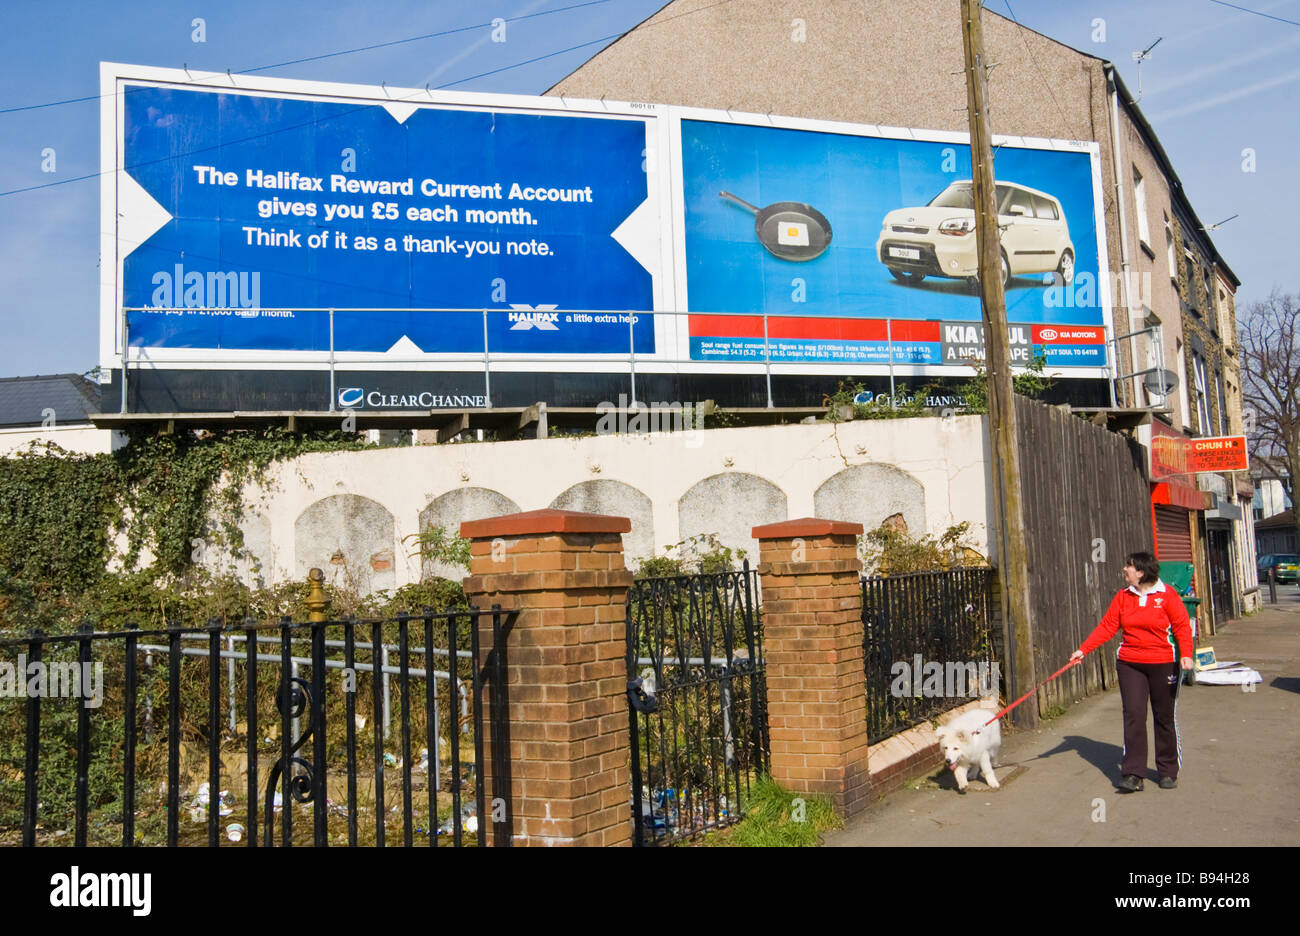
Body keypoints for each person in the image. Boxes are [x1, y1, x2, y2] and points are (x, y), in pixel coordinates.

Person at [1069, 551, 1194, 792]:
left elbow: (1181, 626)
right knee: (1134, 716)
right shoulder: (1123, 596)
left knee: (1164, 716)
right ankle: (1134, 773)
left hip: (1163, 662)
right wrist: (1083, 650)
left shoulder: (1166, 595)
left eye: (1129, 566)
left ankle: (1168, 770)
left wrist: (1186, 654)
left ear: (1141, 572)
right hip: (1130, 663)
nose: (1124, 569)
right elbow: (1107, 626)